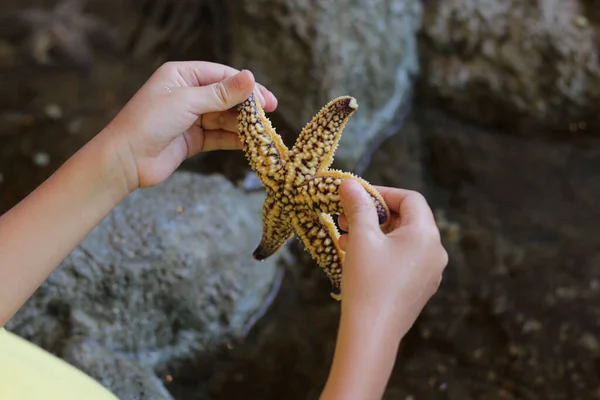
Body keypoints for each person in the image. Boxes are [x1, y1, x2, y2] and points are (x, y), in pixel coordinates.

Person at [0, 61, 448, 399]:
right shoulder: (288, 190)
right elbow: (288, 220)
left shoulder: (280, 189)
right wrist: (378, 324)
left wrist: (121, 159)